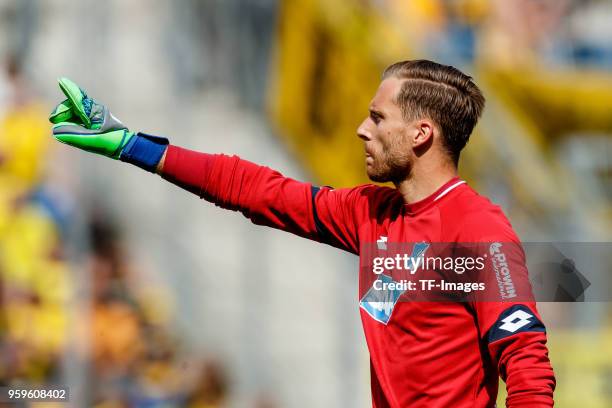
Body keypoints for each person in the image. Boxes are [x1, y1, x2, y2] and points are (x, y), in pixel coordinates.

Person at [48, 59, 555, 407]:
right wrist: (133, 145)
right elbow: (256, 189)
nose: (362, 128)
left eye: (378, 117)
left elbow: (526, 359)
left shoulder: (477, 229)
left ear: (421, 134)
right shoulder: (373, 213)